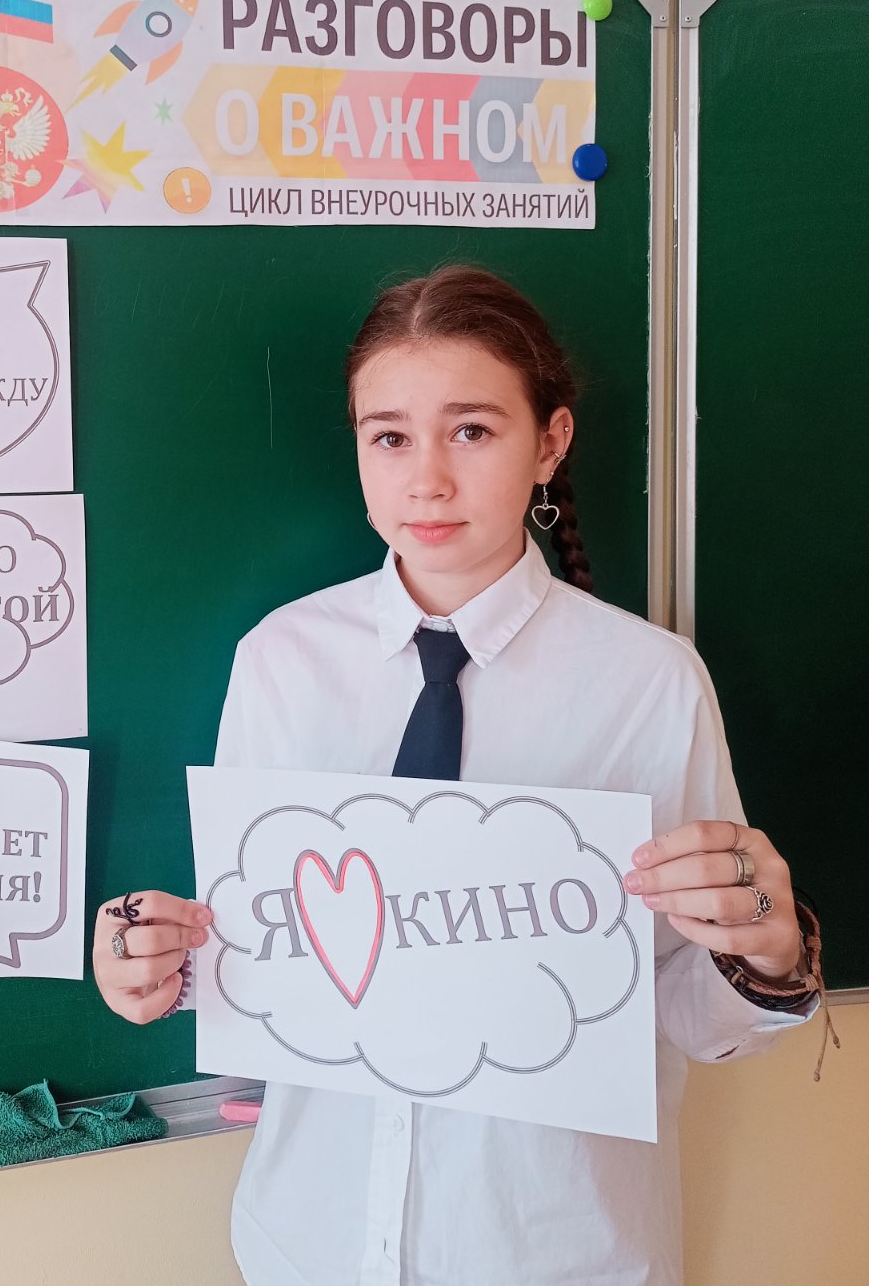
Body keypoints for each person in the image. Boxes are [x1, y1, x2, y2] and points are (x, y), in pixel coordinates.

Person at [93, 265, 828, 1286]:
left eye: (472, 430)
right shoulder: (281, 660)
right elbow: (265, 942)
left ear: (551, 443)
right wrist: (156, 968)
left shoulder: (648, 683)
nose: (426, 480)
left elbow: (678, 1006)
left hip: (554, 1248)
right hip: (312, 1239)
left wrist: (768, 956)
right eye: (389, 437)